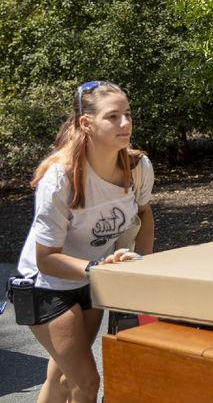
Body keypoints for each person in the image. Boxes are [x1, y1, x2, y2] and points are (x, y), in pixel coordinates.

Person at [14, 80, 154, 402]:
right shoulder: (60, 177)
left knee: (64, 377)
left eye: (128, 114)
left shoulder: (137, 167)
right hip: (46, 284)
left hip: (92, 278)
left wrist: (145, 267)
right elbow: (46, 257)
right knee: (87, 381)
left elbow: (145, 215)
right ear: (85, 124)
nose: (126, 124)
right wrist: (95, 268)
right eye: (113, 116)